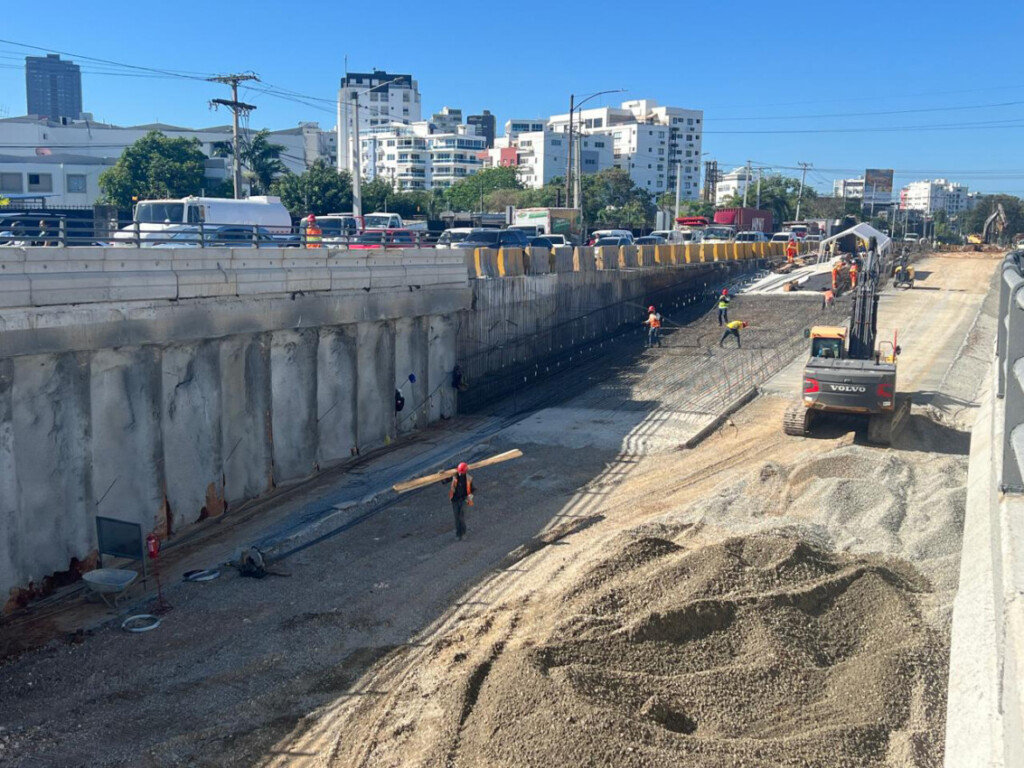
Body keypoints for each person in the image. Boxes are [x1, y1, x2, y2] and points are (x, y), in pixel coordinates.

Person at [448, 462, 474, 541]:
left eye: (461, 472)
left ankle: (463, 533)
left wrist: (470, 496)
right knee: (457, 518)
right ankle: (458, 534)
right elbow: (445, 481)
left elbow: (472, 489)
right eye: (459, 472)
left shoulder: (469, 479)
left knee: (461, 517)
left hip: (464, 500)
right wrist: (441, 474)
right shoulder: (454, 476)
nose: (460, 474)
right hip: (455, 500)